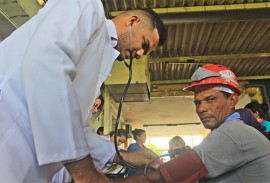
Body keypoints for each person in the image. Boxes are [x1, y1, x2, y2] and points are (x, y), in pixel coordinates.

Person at [0, 0, 167, 181]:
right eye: (144, 44)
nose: (140, 54)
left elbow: (79, 128)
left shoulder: (100, 58)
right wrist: (84, 172)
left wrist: (121, 155)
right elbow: (47, 65)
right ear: (132, 21)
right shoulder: (86, 5)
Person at [119, 64, 270, 183]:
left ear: (232, 101)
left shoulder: (231, 133)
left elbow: (163, 177)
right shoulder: (232, 130)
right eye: (197, 103)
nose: (201, 108)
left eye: (210, 99)